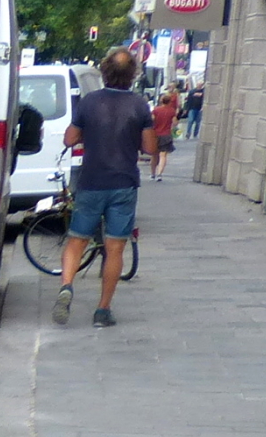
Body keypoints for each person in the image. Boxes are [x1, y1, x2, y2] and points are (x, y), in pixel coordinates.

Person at [54, 47, 156, 329]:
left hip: (91, 181)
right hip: (123, 182)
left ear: (105, 71)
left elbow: (68, 139)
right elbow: (149, 147)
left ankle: (66, 285)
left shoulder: (89, 101)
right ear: (132, 74)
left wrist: (87, 130)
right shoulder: (139, 105)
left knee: (77, 240)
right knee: (115, 249)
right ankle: (102, 310)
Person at [150, 85, 181, 181]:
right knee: (163, 155)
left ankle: (152, 174)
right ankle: (159, 174)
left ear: (161, 101)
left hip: (155, 134)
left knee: (154, 155)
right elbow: (175, 123)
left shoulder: (156, 110)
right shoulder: (171, 111)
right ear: (170, 102)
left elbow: (151, 121)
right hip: (166, 135)